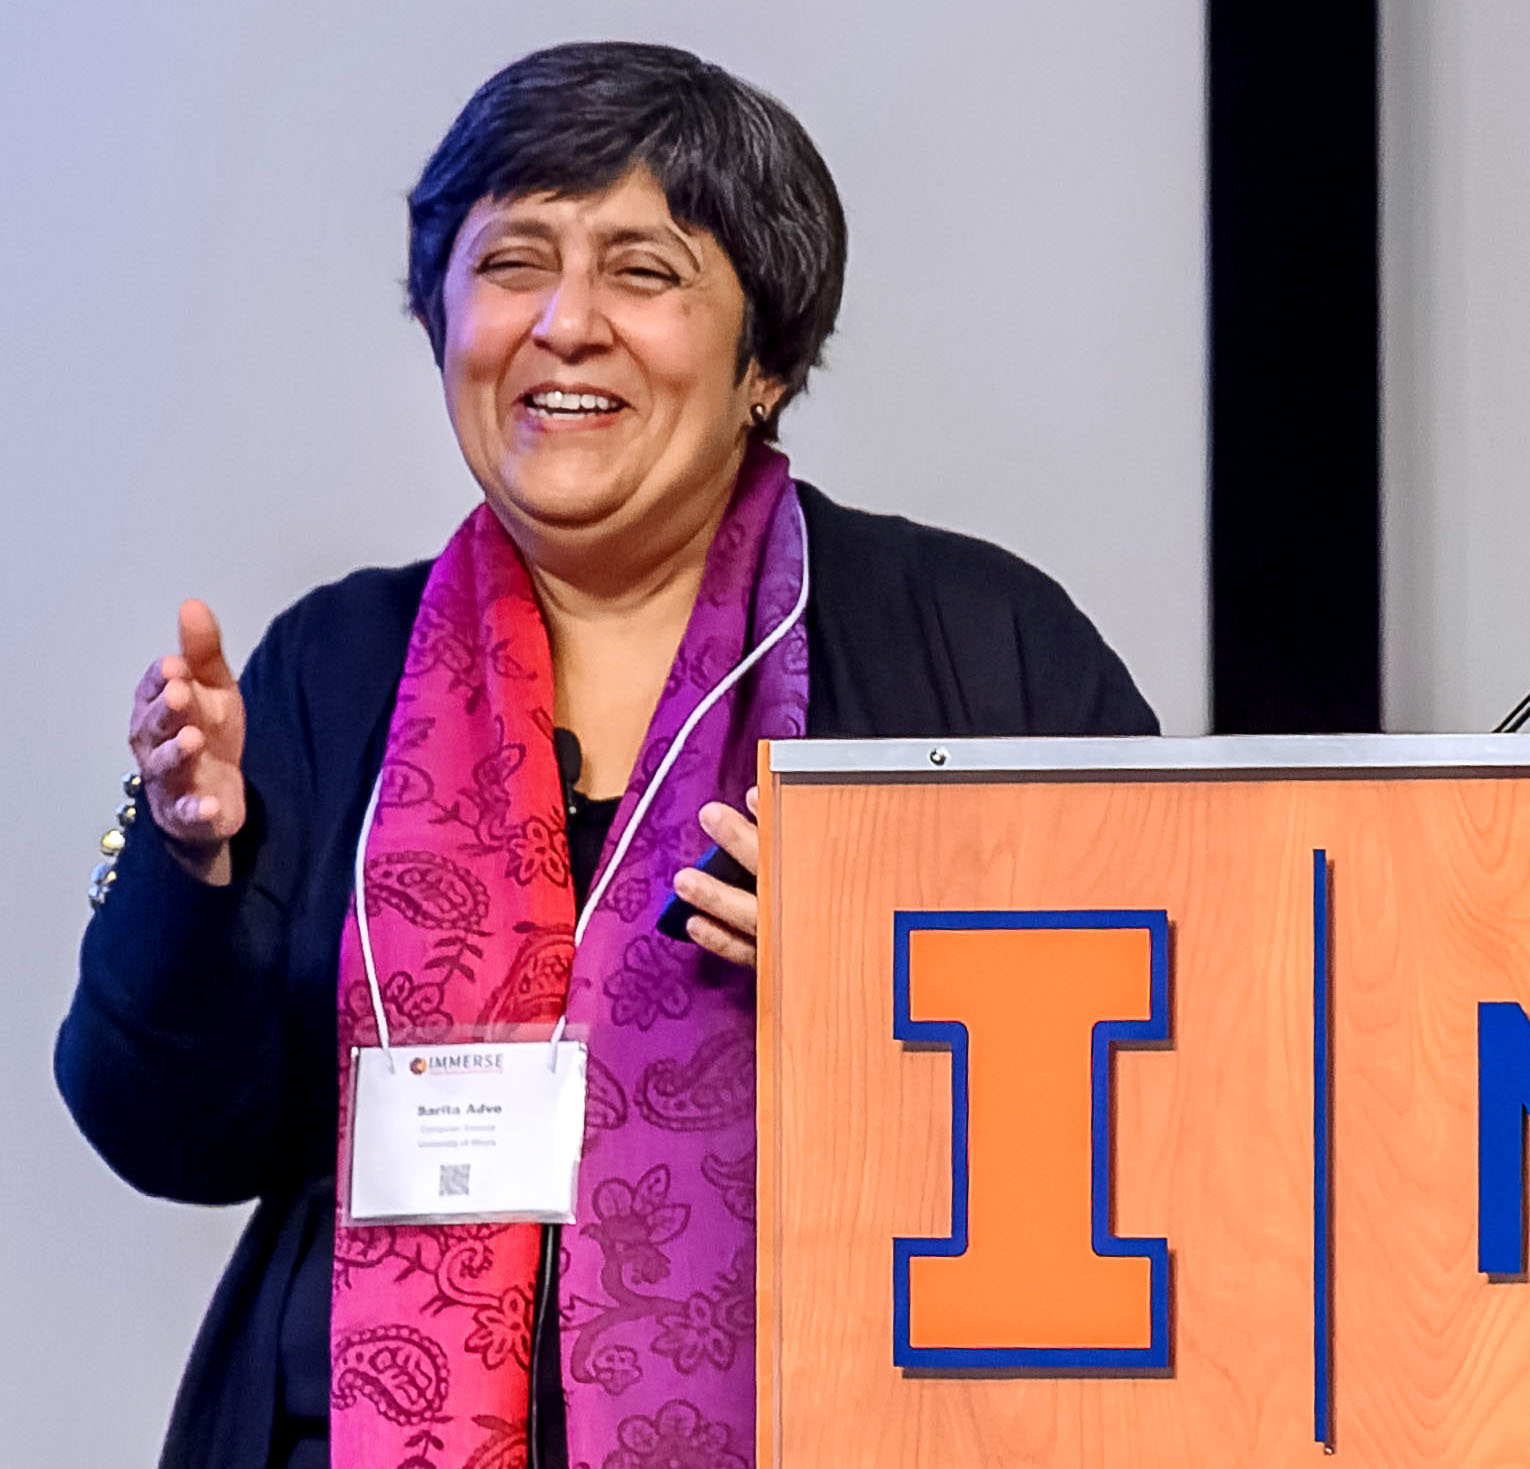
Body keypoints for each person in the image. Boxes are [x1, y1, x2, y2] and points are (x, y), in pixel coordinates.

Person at [56, 41, 1157, 1469]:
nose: (565, 323)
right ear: (443, 320)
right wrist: (187, 863)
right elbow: (175, 1135)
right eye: (512, 263)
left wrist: (901, 981)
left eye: (642, 272)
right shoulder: (336, 666)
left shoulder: (978, 645)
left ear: (766, 358)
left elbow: (1179, 1087)